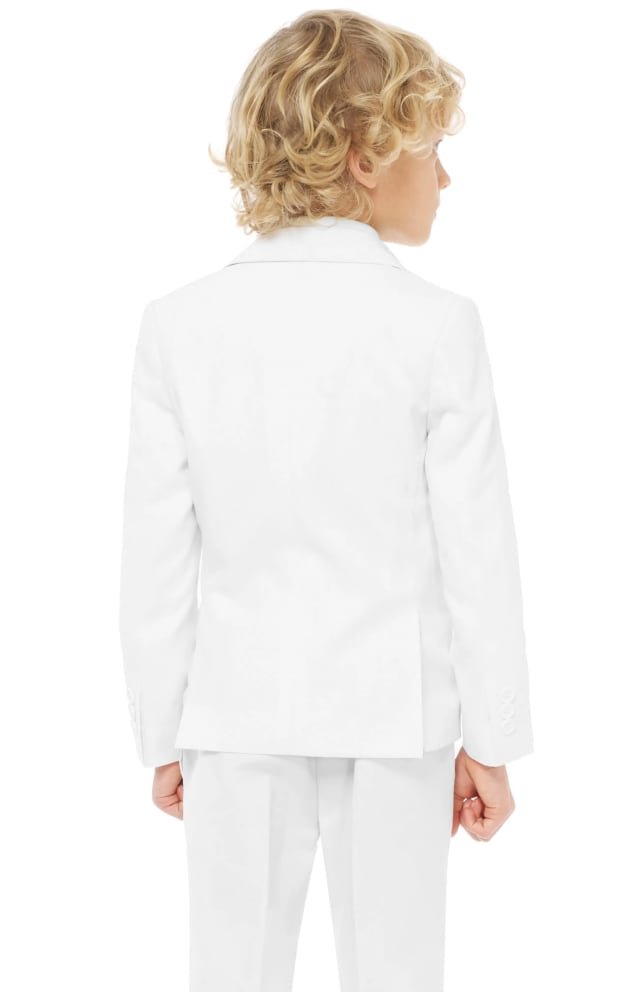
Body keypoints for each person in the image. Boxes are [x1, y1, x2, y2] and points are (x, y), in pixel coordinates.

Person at [118, 9, 534, 991]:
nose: (445, 178)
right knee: (398, 972)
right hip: (398, 717)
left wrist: (163, 731)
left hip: (233, 713)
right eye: (431, 150)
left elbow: (155, 560)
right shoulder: (437, 326)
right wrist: (492, 740)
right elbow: (477, 554)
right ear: (363, 155)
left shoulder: (180, 326)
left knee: (231, 971)